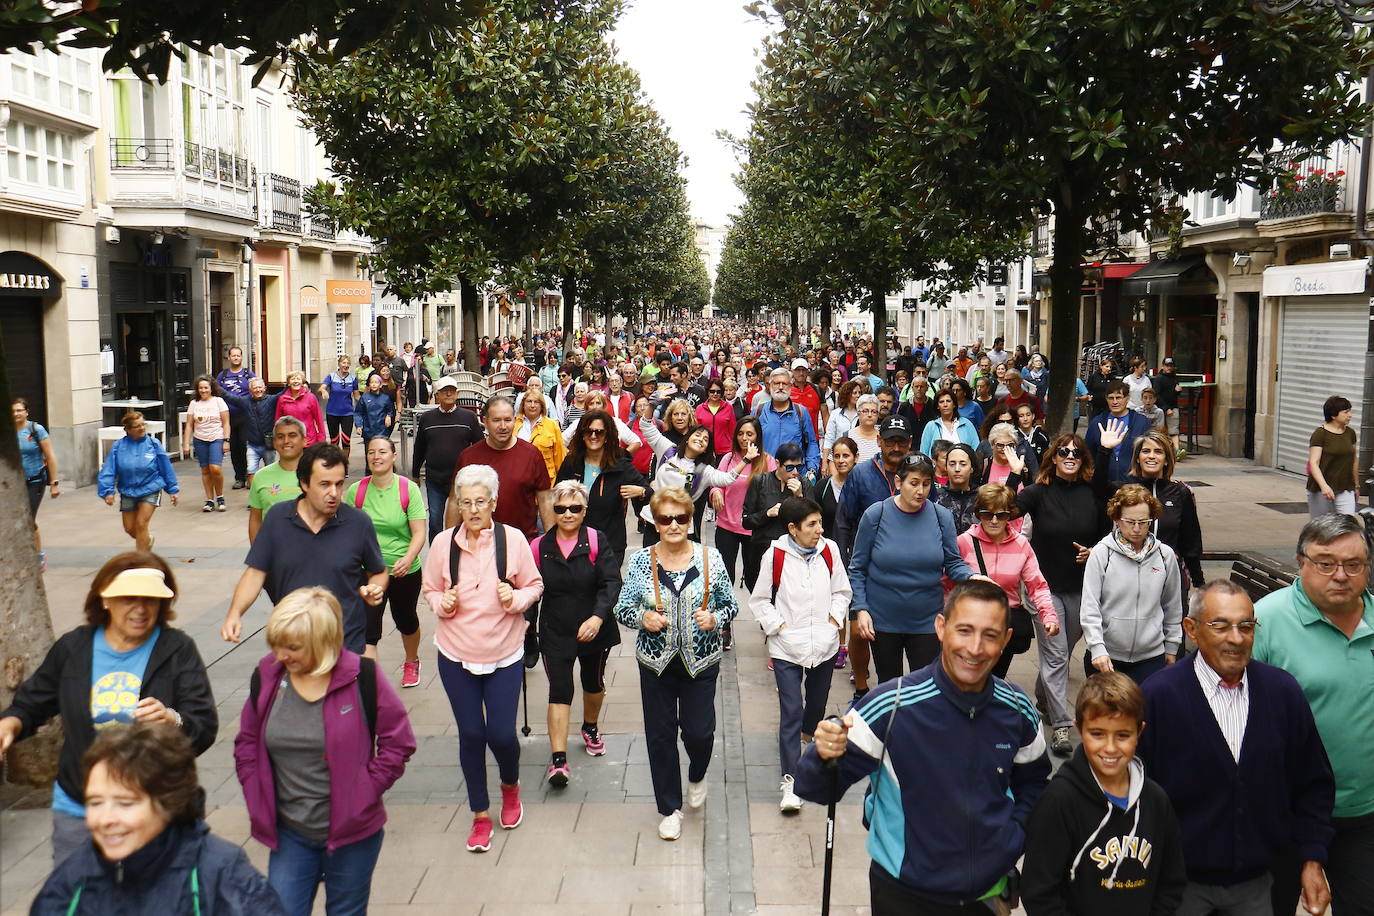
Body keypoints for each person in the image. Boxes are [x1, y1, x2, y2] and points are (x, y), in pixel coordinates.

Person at [797, 580, 1051, 914]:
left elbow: (1034, 785)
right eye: (964, 630)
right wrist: (822, 753)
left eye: (989, 635)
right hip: (905, 895)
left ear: (1005, 640)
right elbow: (815, 788)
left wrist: (1011, 839)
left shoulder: (1017, 709)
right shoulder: (889, 705)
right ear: (941, 628)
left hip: (987, 894)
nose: (975, 648)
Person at [0, 553, 216, 865]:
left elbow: (204, 724)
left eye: (150, 600)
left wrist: (173, 720)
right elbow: (32, 702)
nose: (140, 609)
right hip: (80, 805)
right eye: (129, 598)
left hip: (155, 807)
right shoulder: (74, 648)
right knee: (79, 897)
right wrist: (11, 723)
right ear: (105, 600)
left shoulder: (177, 649)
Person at [1139, 580, 1335, 916]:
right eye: (1221, 626)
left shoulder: (1282, 692)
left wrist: (1312, 857)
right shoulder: (1159, 696)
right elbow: (1133, 791)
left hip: (1260, 886)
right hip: (1178, 888)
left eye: (1246, 626)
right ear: (1192, 629)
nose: (1236, 638)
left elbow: (1313, 782)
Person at [234, 587, 415, 915]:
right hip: (291, 832)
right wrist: (254, 789)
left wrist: (364, 792)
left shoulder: (362, 676)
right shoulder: (268, 675)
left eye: (292, 647)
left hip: (353, 833)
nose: (280, 655)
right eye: (276, 644)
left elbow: (398, 742)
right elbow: (246, 741)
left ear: (323, 643)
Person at [33, 722, 285, 915]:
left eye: (125, 803)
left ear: (168, 803)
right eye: (96, 802)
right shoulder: (71, 881)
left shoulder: (220, 874)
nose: (105, 819)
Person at [1254, 513, 1374, 916]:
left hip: (1363, 815)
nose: (1340, 575)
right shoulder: (1264, 622)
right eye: (1325, 563)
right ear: (1300, 562)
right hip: (1286, 816)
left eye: (1353, 564)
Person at [422, 464, 544, 853]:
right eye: (466, 502)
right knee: (472, 734)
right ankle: (479, 814)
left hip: (505, 653)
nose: (473, 509)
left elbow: (535, 585)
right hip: (456, 653)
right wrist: (443, 602)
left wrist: (517, 599)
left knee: (502, 736)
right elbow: (429, 590)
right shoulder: (443, 543)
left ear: (494, 502)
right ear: (457, 503)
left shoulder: (513, 541)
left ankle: (510, 786)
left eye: (480, 501)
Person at [613, 488, 740, 841]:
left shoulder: (711, 557)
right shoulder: (641, 561)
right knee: (660, 736)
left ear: (690, 520)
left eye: (680, 518)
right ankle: (669, 808)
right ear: (653, 521)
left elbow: (731, 604)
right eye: (665, 518)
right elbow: (621, 609)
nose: (672, 525)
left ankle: (698, 773)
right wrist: (643, 617)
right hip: (656, 663)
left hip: (701, 662)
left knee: (700, 733)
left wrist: (715, 618)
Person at [1021, 673, 1187, 916]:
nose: (1110, 747)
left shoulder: (1155, 800)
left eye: (1122, 735)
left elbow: (1171, 880)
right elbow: (1039, 892)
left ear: (1139, 732)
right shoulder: (1058, 801)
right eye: (1097, 734)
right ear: (1079, 728)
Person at [221, 443, 389, 655]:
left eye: (339, 484)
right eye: (324, 484)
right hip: (293, 646)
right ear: (304, 483)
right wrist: (234, 613)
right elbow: (255, 572)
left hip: (345, 646)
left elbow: (379, 571)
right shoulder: (277, 518)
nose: (334, 493)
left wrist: (375, 588)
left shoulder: (358, 523)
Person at [751, 496, 851, 813]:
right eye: (812, 524)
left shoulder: (830, 551)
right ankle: (792, 781)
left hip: (823, 644)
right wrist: (778, 625)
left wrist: (834, 620)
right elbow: (760, 599)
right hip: (786, 647)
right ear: (793, 529)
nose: (820, 530)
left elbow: (842, 591)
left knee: (816, 707)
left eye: (820, 523)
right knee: (791, 711)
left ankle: (807, 744)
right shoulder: (775, 555)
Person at [1016, 434, 1111, 757]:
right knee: (1056, 656)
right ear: (1053, 459)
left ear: (1083, 460)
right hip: (1046, 590)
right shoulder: (1039, 493)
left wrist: (1094, 550)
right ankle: (1060, 725)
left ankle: (1044, 698)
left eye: (1076, 453)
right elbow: (1006, 508)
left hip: (1084, 589)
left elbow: (1107, 531)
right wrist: (1016, 473)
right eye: (1063, 452)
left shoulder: (1092, 494)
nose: (1070, 456)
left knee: (1063, 650)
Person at [529, 480, 623, 787]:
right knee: (559, 688)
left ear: (584, 511)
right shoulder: (538, 547)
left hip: (594, 628)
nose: (567, 514)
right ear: (552, 511)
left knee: (592, 683)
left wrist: (597, 618)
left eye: (574, 508)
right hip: (555, 629)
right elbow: (530, 590)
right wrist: (524, 629)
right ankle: (559, 761)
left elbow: (611, 583)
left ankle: (590, 726)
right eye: (560, 509)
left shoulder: (597, 540)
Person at [850, 453, 976, 681]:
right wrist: (861, 609)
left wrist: (973, 578)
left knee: (925, 688)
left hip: (926, 620)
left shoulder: (941, 517)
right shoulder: (875, 514)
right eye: (914, 483)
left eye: (926, 484)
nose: (920, 491)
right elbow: (857, 568)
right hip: (883, 619)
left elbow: (953, 563)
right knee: (889, 688)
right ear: (899, 483)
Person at [952, 484, 1059, 679]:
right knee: (970, 679)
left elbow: (1037, 585)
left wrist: (1048, 616)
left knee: (995, 680)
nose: (994, 520)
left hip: (1004, 625)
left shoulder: (1021, 544)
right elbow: (948, 585)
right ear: (978, 514)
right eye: (986, 514)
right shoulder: (964, 542)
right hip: (971, 623)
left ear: (1009, 515)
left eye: (1001, 515)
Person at [1080, 484, 1182, 684]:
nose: (1137, 528)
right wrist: (1097, 648)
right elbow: (1090, 607)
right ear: (1117, 519)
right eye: (1130, 521)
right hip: (1108, 656)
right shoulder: (1102, 554)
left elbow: (1172, 605)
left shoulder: (1165, 555)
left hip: (1151, 656)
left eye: (1143, 522)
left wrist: (1171, 646)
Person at [346, 437, 427, 686]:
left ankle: (412, 660)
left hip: (405, 570)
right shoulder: (356, 491)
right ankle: (370, 678)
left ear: (394, 456)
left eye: (382, 452)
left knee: (406, 620)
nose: (376, 457)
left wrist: (408, 557)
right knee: (369, 626)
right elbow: (347, 532)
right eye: (371, 452)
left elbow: (419, 532)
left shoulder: (407, 489)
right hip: (368, 572)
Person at [451, 395, 553, 539]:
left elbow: (545, 500)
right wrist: (450, 542)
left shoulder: (532, 455)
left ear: (515, 420)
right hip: (477, 546)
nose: (503, 427)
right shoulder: (468, 457)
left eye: (507, 420)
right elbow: (455, 502)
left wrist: (552, 544)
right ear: (485, 421)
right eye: (497, 420)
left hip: (523, 544)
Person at [555, 410, 648, 559]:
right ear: (582, 435)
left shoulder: (620, 464)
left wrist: (641, 492)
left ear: (607, 436)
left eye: (599, 432)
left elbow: (649, 493)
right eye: (588, 432)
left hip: (609, 545)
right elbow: (556, 498)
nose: (593, 436)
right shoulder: (571, 462)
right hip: (574, 542)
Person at [412, 376, 483, 543]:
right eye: (444, 391)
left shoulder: (469, 417)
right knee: (435, 521)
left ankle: (459, 552)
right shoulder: (427, 418)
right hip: (435, 479)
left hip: (462, 481)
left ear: (457, 394)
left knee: (461, 520)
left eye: (452, 390)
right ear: (437, 395)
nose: (449, 393)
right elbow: (419, 447)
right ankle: (438, 555)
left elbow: (479, 446)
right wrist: (415, 474)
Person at [97, 411, 180, 552]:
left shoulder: (153, 444)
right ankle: (146, 539)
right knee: (130, 528)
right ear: (128, 430)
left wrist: (173, 490)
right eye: (137, 426)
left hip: (150, 487)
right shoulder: (118, 446)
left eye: (143, 424)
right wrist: (107, 491)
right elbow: (109, 469)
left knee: (141, 524)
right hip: (128, 490)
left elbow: (165, 467)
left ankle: (141, 559)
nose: (142, 428)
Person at [742, 442, 816, 591]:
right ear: (777, 463)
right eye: (789, 467)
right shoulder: (760, 481)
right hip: (762, 550)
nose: (795, 472)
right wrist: (767, 513)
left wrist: (800, 497)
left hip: (792, 553)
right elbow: (746, 521)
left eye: (799, 467)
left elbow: (813, 522)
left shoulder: (804, 484)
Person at [14, 397, 58, 570]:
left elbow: (50, 456)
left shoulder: (35, 429)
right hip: (13, 485)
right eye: (13, 411)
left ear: (26, 412)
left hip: (35, 481)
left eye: (19, 410)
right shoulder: (6, 431)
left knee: (28, 518)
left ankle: (38, 555)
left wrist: (54, 482)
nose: (16, 413)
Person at [248, 417, 307, 544]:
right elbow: (255, 520)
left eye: (292, 435)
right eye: (280, 437)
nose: (286, 441)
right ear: (274, 443)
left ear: (304, 440)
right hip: (273, 556)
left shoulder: (318, 474)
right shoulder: (260, 476)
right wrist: (257, 555)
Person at [219, 377, 285, 489]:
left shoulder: (272, 400)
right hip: (252, 445)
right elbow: (229, 397)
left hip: (268, 445)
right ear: (250, 391)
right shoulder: (245, 402)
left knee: (270, 470)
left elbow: (283, 393)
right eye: (255, 388)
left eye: (260, 387)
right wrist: (214, 385)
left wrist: (292, 382)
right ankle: (254, 497)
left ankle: (272, 494)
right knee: (251, 470)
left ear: (264, 388)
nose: (258, 390)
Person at [755, 367, 821, 477]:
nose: (780, 387)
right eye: (777, 383)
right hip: (765, 475)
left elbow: (811, 442)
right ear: (770, 385)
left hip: (795, 475)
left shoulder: (800, 412)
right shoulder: (758, 411)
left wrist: (812, 469)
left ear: (790, 386)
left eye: (784, 384)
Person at [1085, 382, 1154, 485]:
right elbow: (1088, 453)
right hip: (1104, 483)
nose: (1115, 402)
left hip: (1135, 483)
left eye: (1119, 397)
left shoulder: (1141, 422)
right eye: (1111, 398)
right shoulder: (1097, 422)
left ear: (1127, 398)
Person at [181, 375, 231, 512]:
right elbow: (189, 425)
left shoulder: (218, 401)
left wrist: (226, 440)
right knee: (205, 470)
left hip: (216, 437)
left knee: (215, 468)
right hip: (200, 439)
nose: (203, 390)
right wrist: (186, 443)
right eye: (201, 388)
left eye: (206, 387)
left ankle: (220, 496)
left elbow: (226, 423)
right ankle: (209, 500)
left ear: (211, 388)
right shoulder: (194, 404)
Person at [1305, 394, 1359, 517]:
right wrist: (1324, 486)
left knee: (1347, 525)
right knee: (1320, 527)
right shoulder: (1320, 434)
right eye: (1346, 412)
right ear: (1333, 415)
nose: (1350, 415)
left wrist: (1356, 485)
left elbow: (1354, 460)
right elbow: (1313, 463)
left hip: (1345, 488)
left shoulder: (1350, 433)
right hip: (1320, 489)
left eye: (1350, 411)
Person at [216, 346, 257, 490]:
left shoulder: (248, 374)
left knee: (244, 445)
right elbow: (217, 391)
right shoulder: (223, 375)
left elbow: (256, 389)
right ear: (229, 357)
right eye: (233, 356)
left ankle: (248, 474)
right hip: (228, 416)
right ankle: (238, 477)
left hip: (245, 415)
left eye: (238, 355)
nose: (235, 358)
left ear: (241, 357)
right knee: (234, 447)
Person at [931, 442, 983, 534]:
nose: (957, 469)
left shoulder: (982, 497)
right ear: (946, 467)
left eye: (963, 464)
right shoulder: (936, 497)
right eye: (952, 464)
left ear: (971, 468)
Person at [317, 355, 360, 463]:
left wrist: (367, 402)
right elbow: (321, 388)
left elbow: (356, 395)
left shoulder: (353, 378)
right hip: (332, 412)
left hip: (347, 413)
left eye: (347, 363)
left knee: (346, 441)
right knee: (334, 441)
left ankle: (344, 465)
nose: (345, 365)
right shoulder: (331, 377)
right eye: (343, 363)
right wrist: (323, 391)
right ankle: (334, 464)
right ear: (339, 364)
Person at [274, 370, 327, 446]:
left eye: (298, 379)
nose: (295, 381)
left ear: (302, 382)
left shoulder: (311, 397)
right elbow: (278, 421)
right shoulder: (282, 399)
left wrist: (322, 438)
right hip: (290, 442)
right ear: (288, 383)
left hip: (308, 441)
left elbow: (319, 419)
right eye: (292, 379)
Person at [919, 389, 979, 455]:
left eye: (948, 401)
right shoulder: (931, 426)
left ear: (954, 404)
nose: (945, 404)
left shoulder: (967, 424)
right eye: (941, 402)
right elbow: (924, 453)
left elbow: (976, 449)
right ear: (937, 406)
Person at [823, 380, 862, 474]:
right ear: (847, 394)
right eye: (854, 393)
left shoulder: (862, 414)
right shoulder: (836, 414)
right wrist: (824, 462)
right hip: (838, 459)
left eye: (859, 393)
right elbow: (829, 438)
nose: (858, 395)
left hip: (857, 459)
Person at [696, 378, 736, 464]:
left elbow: (732, 430)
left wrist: (733, 448)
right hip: (704, 449)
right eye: (712, 391)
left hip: (725, 450)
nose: (715, 394)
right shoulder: (699, 408)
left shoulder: (728, 407)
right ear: (707, 391)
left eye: (718, 392)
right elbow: (697, 431)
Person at [352, 372, 396, 443]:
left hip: (382, 431)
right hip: (368, 431)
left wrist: (389, 416)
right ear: (369, 385)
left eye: (376, 382)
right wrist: (358, 425)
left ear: (380, 385)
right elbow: (358, 412)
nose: (374, 384)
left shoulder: (385, 398)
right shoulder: (364, 398)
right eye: (372, 382)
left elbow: (390, 410)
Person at [1153, 357, 1182, 457]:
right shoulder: (1159, 379)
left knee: (1174, 430)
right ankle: (1160, 450)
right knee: (1160, 431)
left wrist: (1177, 391)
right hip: (1160, 408)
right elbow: (1156, 395)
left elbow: (1174, 393)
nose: (1169, 368)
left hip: (1173, 406)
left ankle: (1177, 451)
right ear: (1163, 366)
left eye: (1171, 366)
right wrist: (1165, 408)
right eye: (1167, 366)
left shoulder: (1174, 378)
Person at [849, 394, 883, 462]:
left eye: (874, 412)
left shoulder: (883, 437)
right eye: (865, 411)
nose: (870, 415)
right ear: (858, 413)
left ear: (878, 414)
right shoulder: (848, 435)